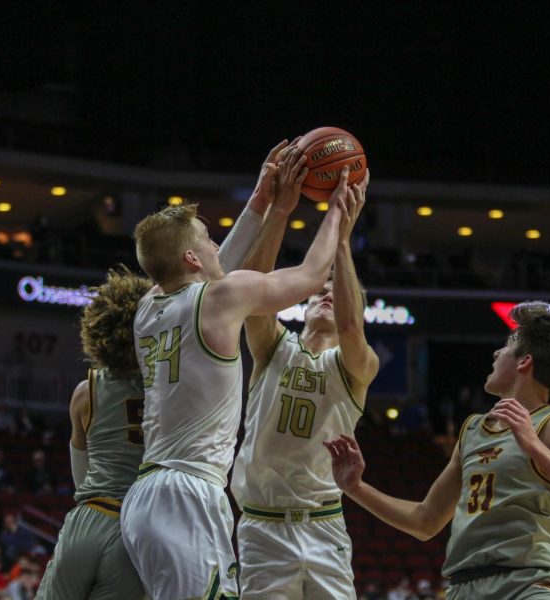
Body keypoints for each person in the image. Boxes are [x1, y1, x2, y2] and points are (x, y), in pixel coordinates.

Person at [120, 139, 356, 599]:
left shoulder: (148, 307)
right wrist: (338, 214)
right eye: (207, 240)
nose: (215, 246)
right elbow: (310, 276)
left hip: (148, 494)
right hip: (188, 493)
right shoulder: (220, 299)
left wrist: (266, 202)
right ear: (191, 258)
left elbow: (213, 269)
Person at [325, 302, 550, 600]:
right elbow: (425, 521)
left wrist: (534, 446)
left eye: (508, 345)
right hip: (464, 587)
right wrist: (356, 488)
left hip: (526, 585)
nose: (496, 353)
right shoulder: (472, 430)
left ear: (524, 362)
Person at [230, 148, 378, 598]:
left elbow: (352, 327)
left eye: (338, 291)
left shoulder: (356, 367)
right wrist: (280, 211)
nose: (326, 294)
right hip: (263, 527)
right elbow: (251, 290)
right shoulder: (274, 347)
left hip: (323, 525)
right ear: (305, 302)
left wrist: (342, 240)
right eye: (320, 290)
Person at [35, 266, 152, 600]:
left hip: (91, 515)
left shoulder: (86, 392)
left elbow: (81, 477)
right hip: (136, 528)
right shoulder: (169, 392)